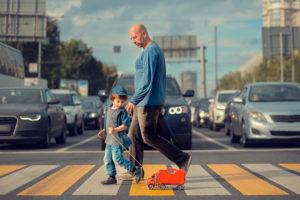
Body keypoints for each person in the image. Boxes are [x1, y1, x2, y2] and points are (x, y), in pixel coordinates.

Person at [125, 24, 192, 183]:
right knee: (133, 135)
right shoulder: (148, 51)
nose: (133, 41)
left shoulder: (151, 51)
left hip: (148, 103)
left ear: (143, 33)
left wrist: (133, 100)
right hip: (144, 102)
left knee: (148, 136)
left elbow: (147, 82)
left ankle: (182, 158)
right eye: (131, 39)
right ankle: (136, 171)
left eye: (134, 37)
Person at [97, 86, 136, 185]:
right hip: (109, 140)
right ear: (112, 99)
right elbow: (108, 124)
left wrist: (115, 130)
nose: (120, 104)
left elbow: (125, 126)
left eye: (122, 102)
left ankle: (133, 169)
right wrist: (103, 131)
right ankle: (111, 177)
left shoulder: (123, 112)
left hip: (117, 140)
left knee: (117, 159)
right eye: (118, 101)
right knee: (107, 159)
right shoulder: (107, 110)